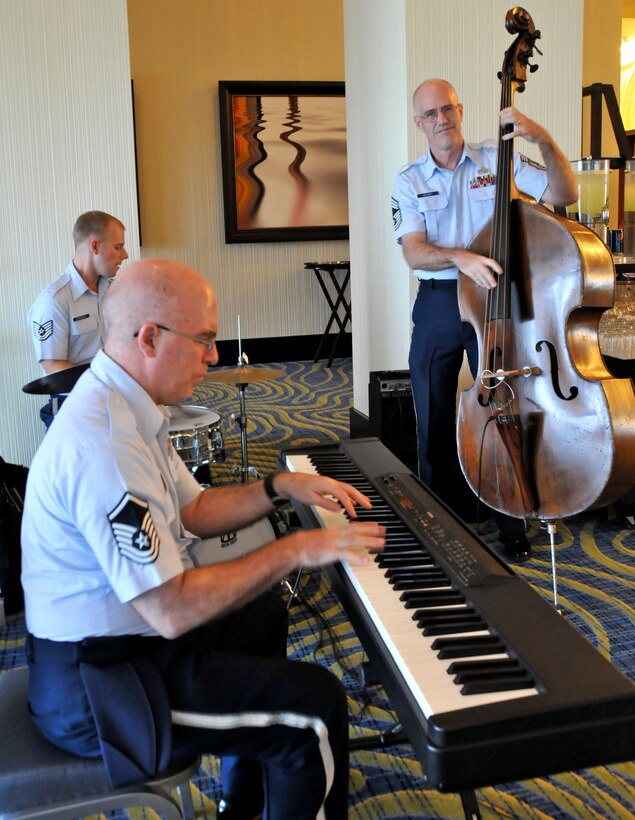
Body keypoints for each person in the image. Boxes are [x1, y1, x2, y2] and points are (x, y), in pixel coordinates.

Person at [21, 258, 386, 820]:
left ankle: (241, 803)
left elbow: (192, 509)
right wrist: (296, 550)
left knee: (261, 616)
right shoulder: (105, 443)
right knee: (314, 709)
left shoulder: (130, 402)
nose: (215, 357)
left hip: (125, 644)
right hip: (100, 687)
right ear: (149, 338)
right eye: (205, 341)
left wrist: (280, 486)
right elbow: (171, 609)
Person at [391, 79, 578, 561]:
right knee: (431, 412)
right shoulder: (408, 180)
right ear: (419, 123)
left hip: (495, 301)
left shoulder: (498, 159)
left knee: (505, 407)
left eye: (448, 109)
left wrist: (542, 138)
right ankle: (435, 517)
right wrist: (462, 258)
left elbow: (565, 193)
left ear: (461, 109)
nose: (442, 120)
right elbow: (414, 252)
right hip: (437, 303)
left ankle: (511, 519)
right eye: (431, 114)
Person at [27, 210, 129, 428]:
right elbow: (54, 366)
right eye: (118, 247)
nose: (125, 255)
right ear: (94, 247)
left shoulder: (115, 291)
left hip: (117, 400)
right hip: (75, 409)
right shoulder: (53, 301)